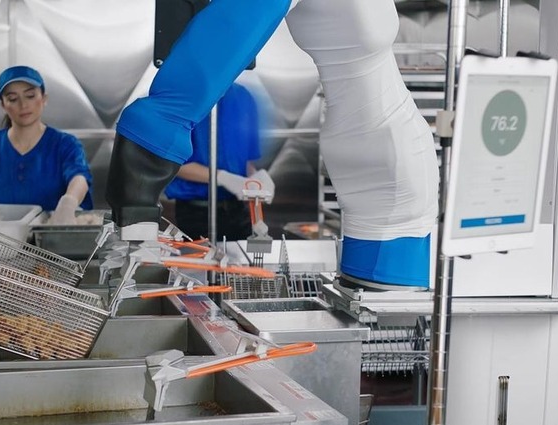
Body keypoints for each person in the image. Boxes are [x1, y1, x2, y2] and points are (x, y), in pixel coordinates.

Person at [106, 0, 438, 288]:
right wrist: (156, 128)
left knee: (379, 308)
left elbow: (232, 26)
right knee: (370, 302)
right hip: (372, 147)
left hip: (388, 155)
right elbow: (231, 24)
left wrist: (155, 129)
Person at [0, 65, 93, 225]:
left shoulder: (65, 145)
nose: (23, 105)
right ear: (3, 105)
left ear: (44, 98)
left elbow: (79, 177)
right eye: (13, 99)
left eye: (30, 95)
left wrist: (68, 202)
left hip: (50, 244)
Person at [164, 82, 275, 241]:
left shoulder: (243, 96)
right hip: (196, 213)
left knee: (240, 262)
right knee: (199, 263)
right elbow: (173, 162)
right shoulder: (182, 97)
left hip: (238, 212)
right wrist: (223, 177)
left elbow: (246, 161)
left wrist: (255, 179)